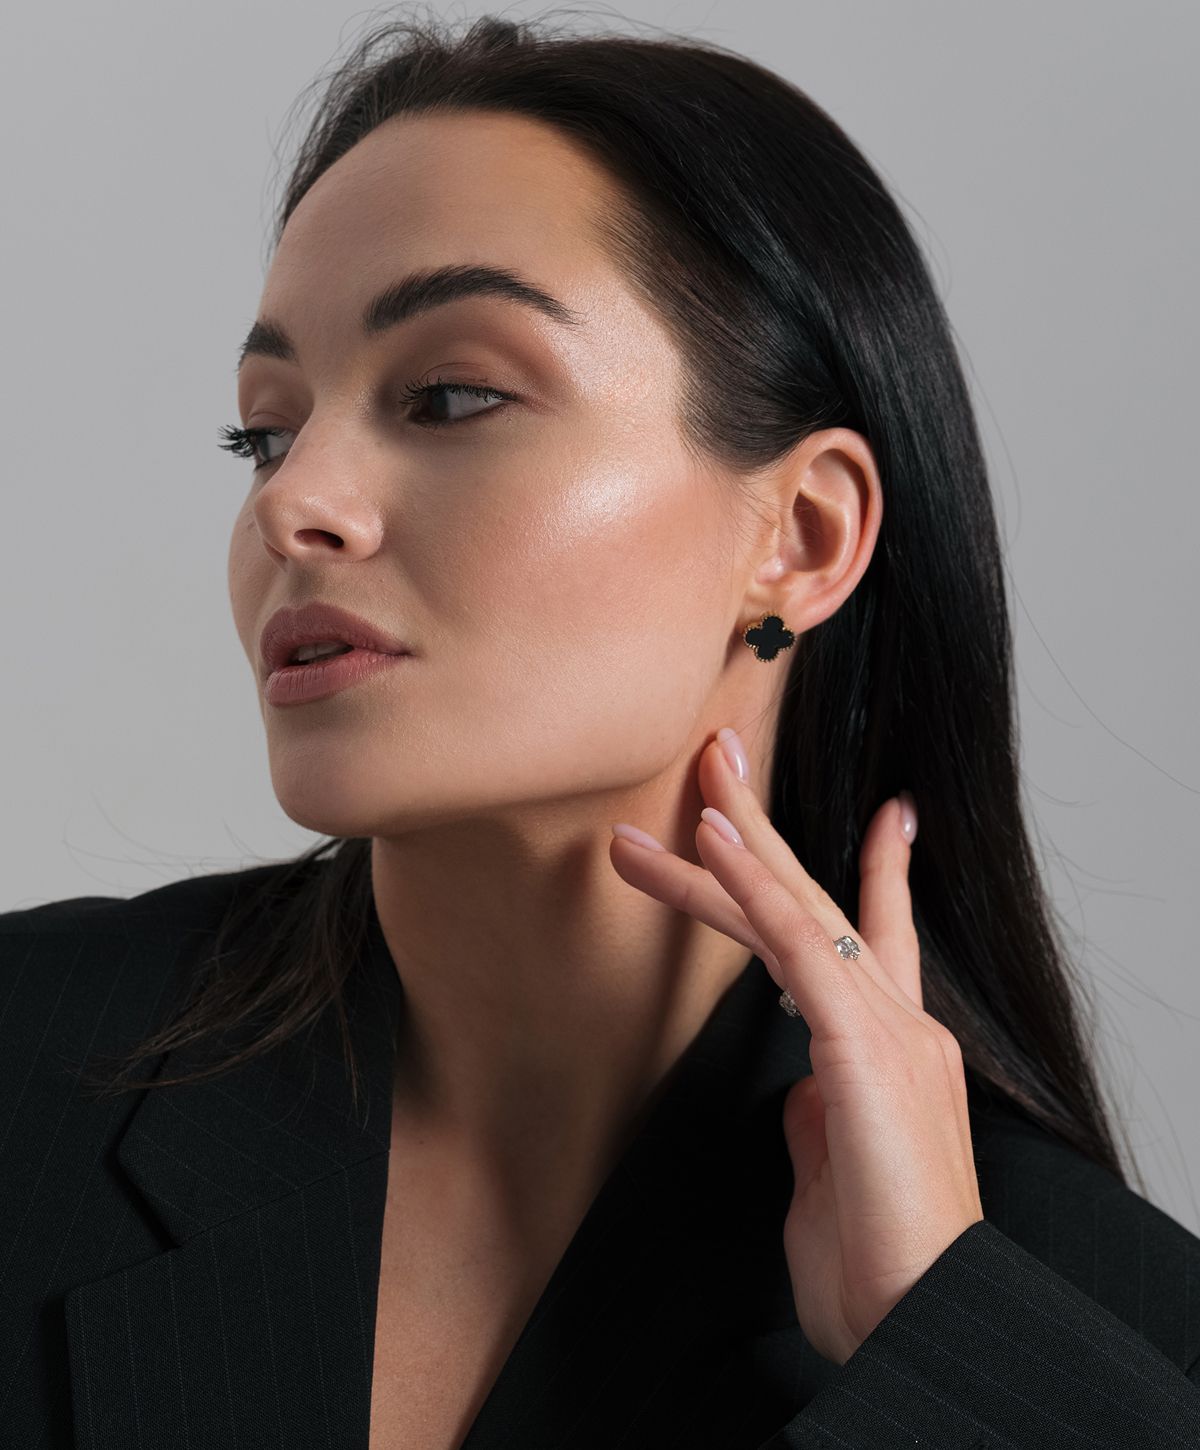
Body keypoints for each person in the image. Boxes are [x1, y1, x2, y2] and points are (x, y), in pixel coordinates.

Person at [4, 11, 1198, 1449]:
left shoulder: (1085, 1329)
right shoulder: (31, 1072)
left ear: (805, 535)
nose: (290, 500)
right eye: (265, 427)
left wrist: (935, 1346)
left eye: (449, 395)